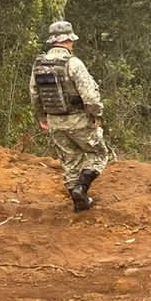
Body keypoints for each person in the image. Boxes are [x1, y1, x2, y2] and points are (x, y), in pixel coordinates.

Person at [30, 20, 108, 212]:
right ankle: (82, 188)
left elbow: (34, 93)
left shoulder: (39, 65)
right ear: (68, 40)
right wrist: (97, 116)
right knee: (98, 153)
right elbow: (90, 96)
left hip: (54, 121)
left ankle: (78, 202)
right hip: (78, 120)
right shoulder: (73, 63)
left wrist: (42, 118)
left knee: (70, 160)